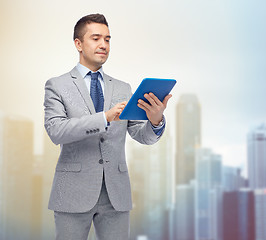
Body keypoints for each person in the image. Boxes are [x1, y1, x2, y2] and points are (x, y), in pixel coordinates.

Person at [43, 13, 171, 240]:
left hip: (116, 194)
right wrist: (104, 118)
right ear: (78, 44)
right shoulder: (57, 85)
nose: (104, 45)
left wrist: (155, 121)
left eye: (108, 39)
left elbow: (142, 136)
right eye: (96, 38)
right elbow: (56, 131)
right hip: (72, 192)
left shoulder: (123, 88)